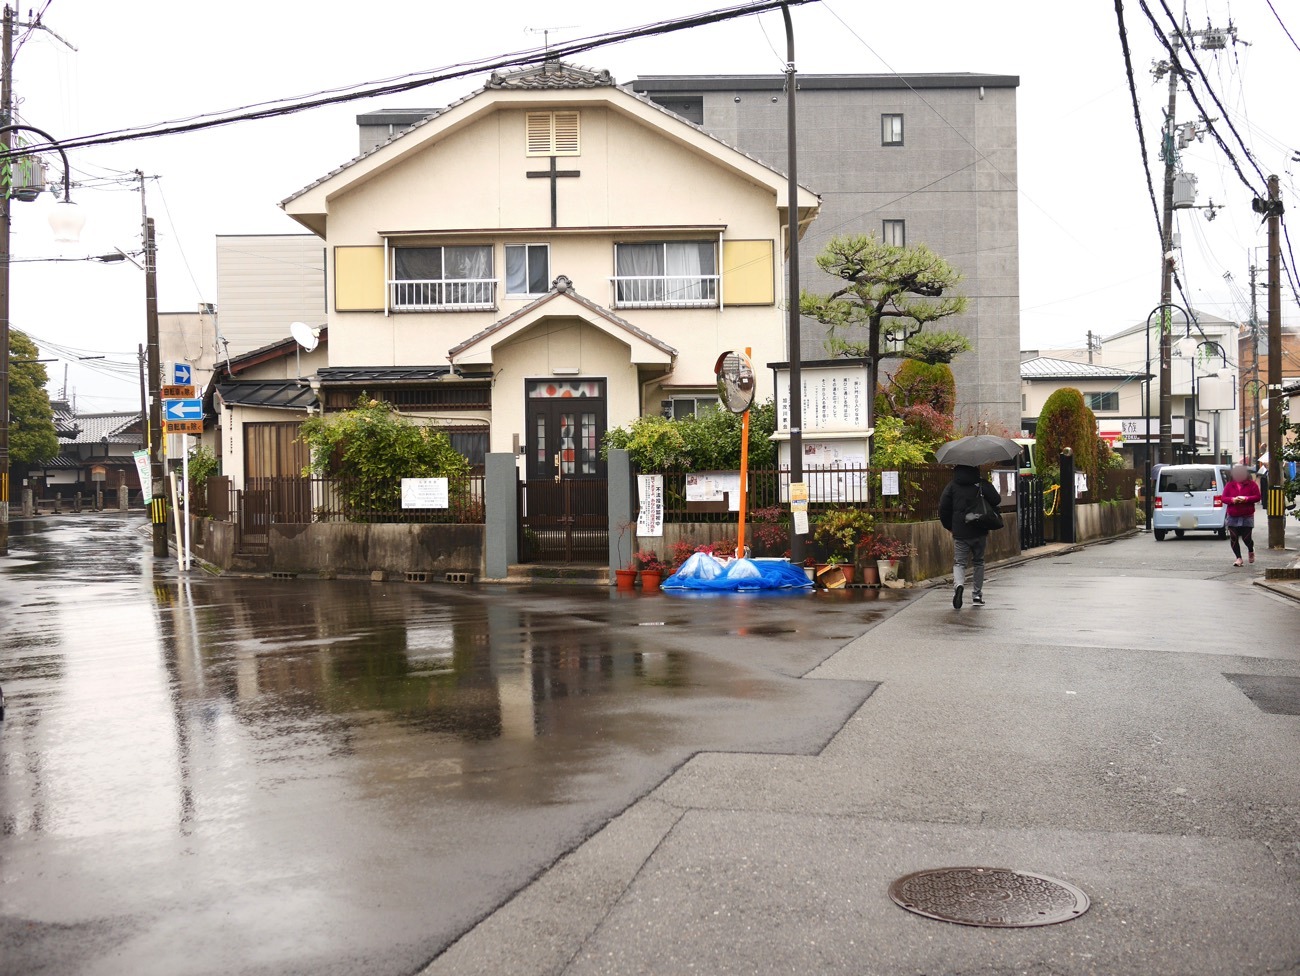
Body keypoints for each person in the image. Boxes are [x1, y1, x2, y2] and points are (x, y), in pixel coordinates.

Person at [938, 464, 1003, 609]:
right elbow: (997, 500)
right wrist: (984, 485)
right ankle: (977, 595)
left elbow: (943, 508)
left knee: (959, 563)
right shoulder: (981, 483)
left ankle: (959, 585)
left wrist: (950, 526)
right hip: (979, 529)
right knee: (978, 562)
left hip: (960, 531)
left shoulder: (952, 486)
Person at [1223, 463, 1261, 567]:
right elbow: (1224, 498)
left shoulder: (1252, 484)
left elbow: (1257, 497)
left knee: (1246, 538)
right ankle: (1238, 558)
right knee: (1234, 537)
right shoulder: (1230, 485)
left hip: (1247, 515)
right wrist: (1232, 500)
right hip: (1233, 514)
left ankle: (1250, 550)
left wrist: (1246, 499)